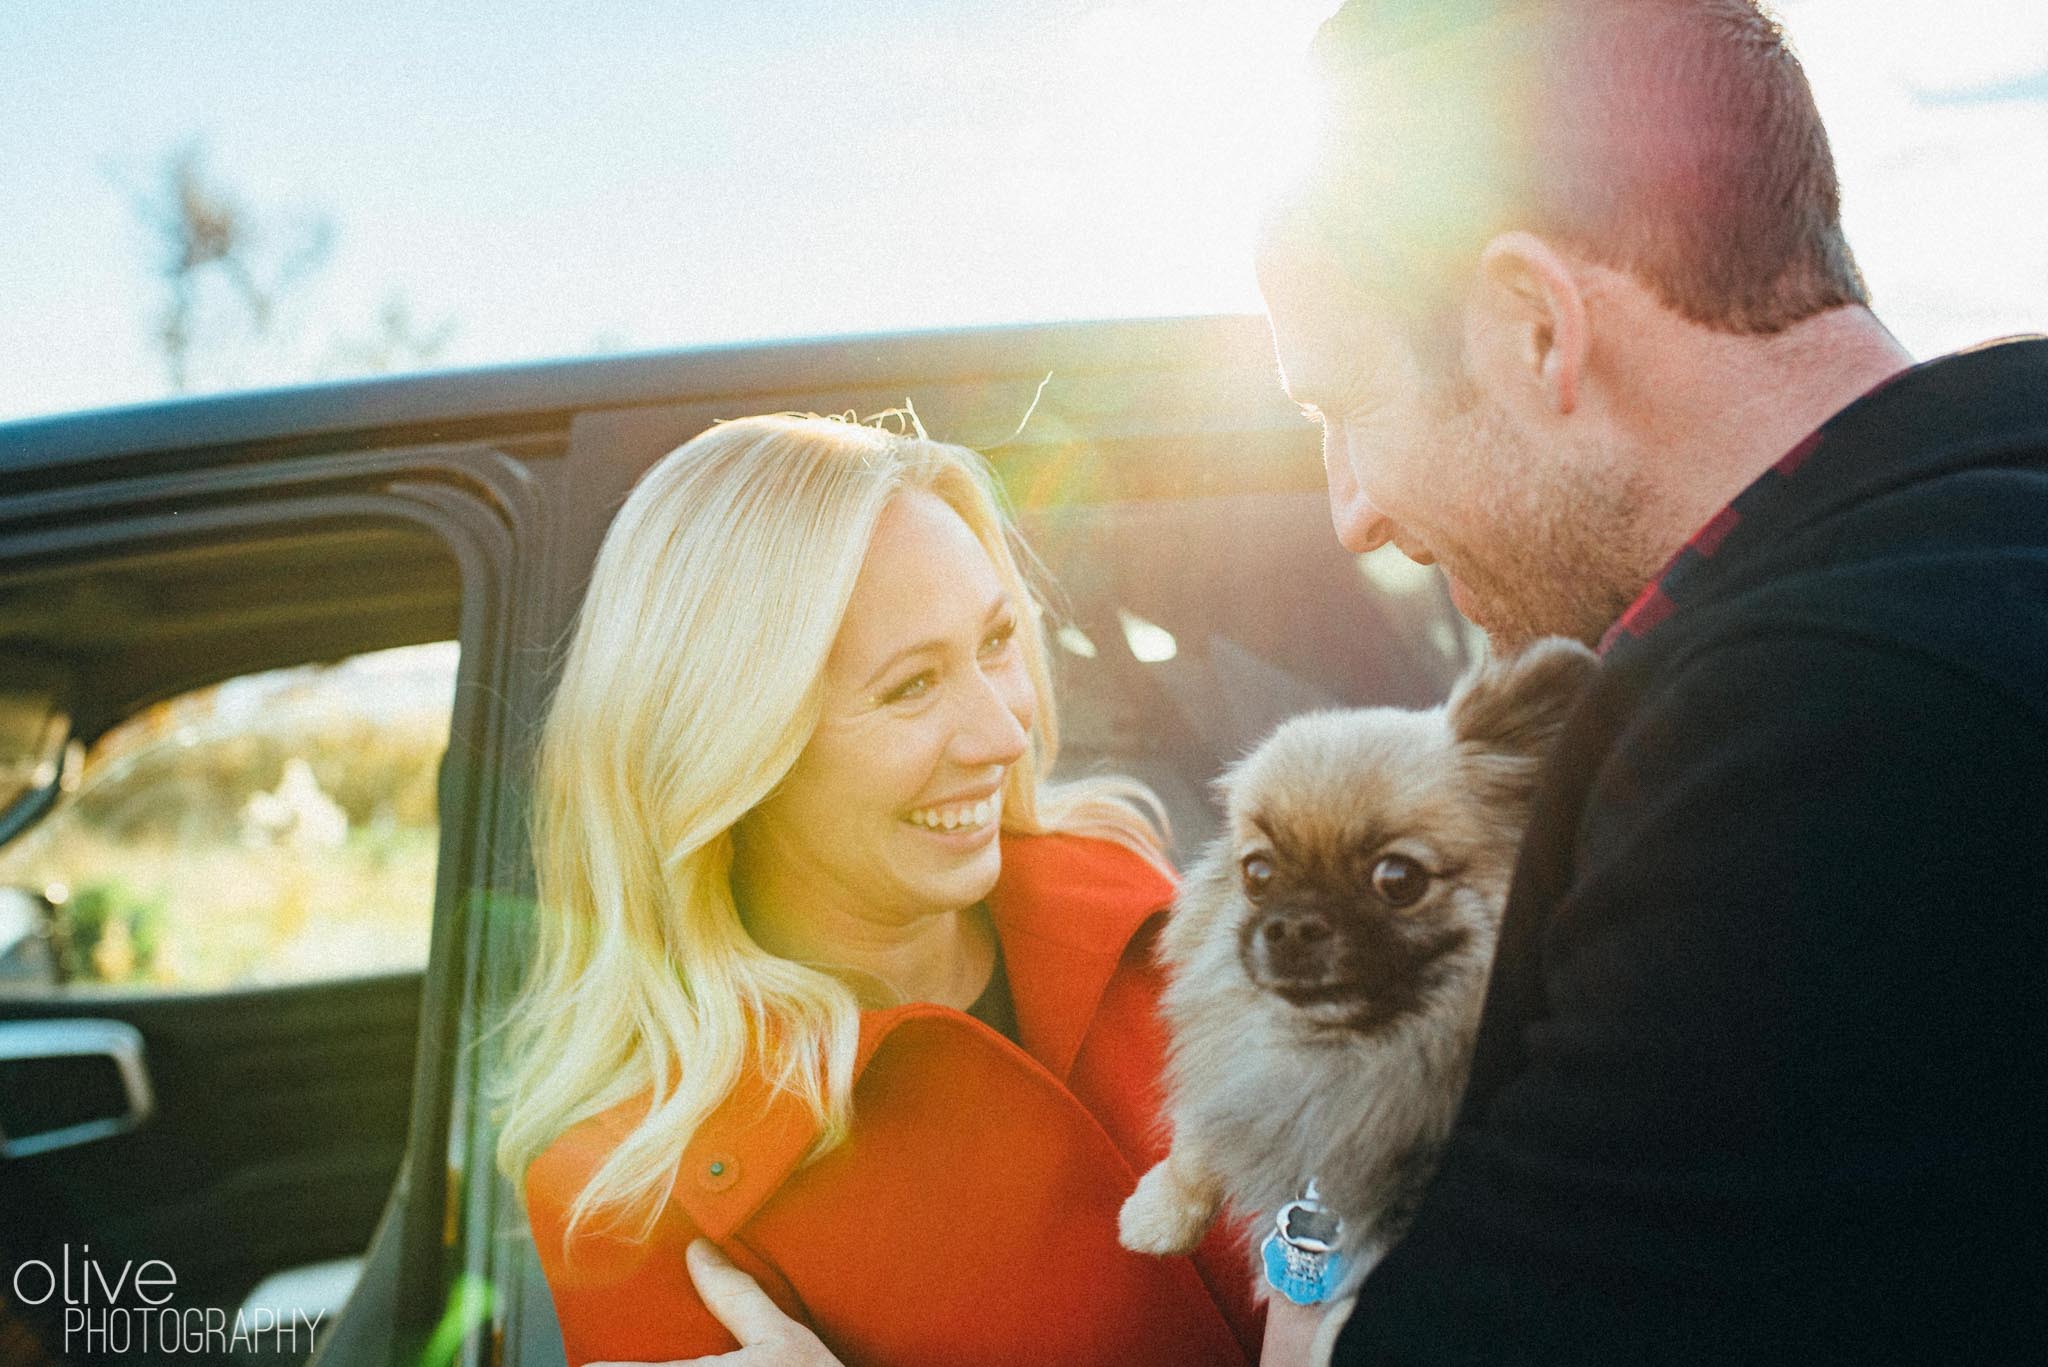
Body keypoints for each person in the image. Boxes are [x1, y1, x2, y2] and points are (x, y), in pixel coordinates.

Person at [1252, 0, 2048, 1362]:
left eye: (1341, 409)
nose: (1353, 512)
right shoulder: (1989, 534)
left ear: (1536, 328)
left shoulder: (1804, 742)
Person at [494, 414, 1265, 1365]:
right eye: (910, 687)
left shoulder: (1132, 901)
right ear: (735, 749)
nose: (1003, 734)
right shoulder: (634, 1186)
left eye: (995, 641)